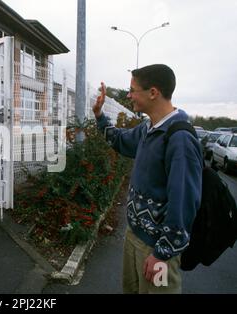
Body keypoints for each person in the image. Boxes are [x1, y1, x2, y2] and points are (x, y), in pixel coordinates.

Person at [92, 64, 202, 294]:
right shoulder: (148, 128)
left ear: (153, 92)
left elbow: (183, 203)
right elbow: (119, 140)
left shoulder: (180, 138)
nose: (129, 95)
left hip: (157, 249)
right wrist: (99, 115)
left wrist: (162, 254)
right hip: (134, 235)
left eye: (133, 90)